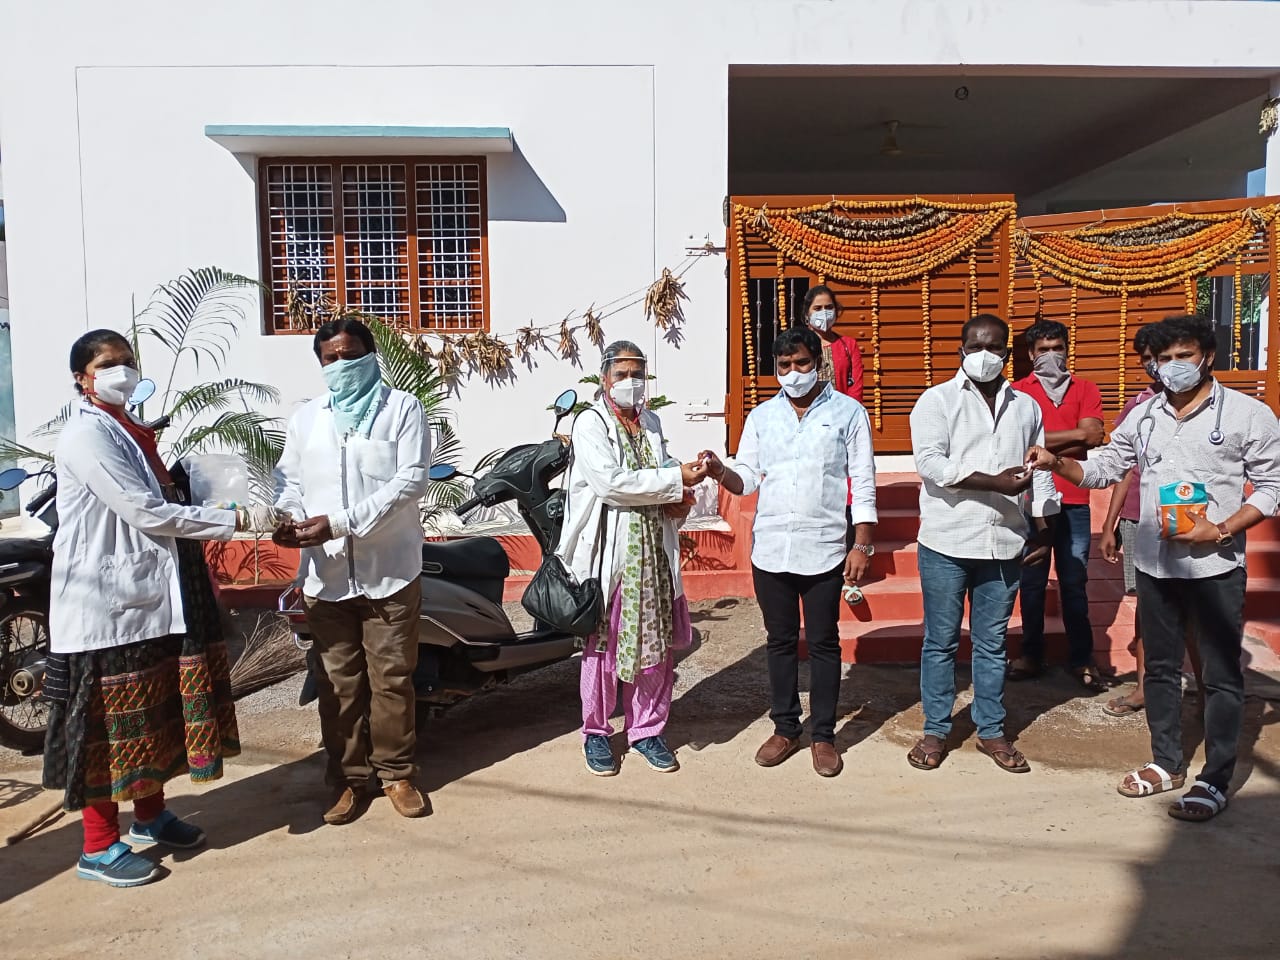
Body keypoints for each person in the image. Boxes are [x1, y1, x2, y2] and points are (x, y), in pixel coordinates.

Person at [43, 329, 284, 888]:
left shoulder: (126, 430)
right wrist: (242, 521)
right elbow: (144, 511)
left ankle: (150, 817)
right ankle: (98, 847)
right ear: (83, 377)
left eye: (128, 362)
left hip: (149, 594)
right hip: (102, 604)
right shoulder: (86, 436)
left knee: (150, 713)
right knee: (109, 725)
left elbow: (163, 496)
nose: (121, 372)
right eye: (108, 364)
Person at [1026, 314, 1280, 822]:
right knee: (1160, 669)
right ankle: (1166, 761)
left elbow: (1272, 486)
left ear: (1207, 356)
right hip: (1157, 564)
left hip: (1215, 566)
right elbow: (1103, 468)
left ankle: (1215, 778)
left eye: (1182, 356)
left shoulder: (1249, 415)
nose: (1172, 367)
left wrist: (1222, 529)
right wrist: (1057, 464)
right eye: (1162, 359)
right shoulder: (1143, 417)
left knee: (1222, 674)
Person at [273, 316, 431, 824]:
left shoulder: (402, 409)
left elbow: (410, 482)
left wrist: (338, 523)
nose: (340, 365)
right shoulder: (307, 419)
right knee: (337, 684)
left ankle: (397, 773)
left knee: (391, 680)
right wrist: (287, 519)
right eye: (329, 359)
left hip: (390, 572)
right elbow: (289, 481)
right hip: (326, 577)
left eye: (349, 355)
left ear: (370, 354)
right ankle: (348, 779)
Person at [702, 326, 876, 777]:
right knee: (779, 642)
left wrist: (862, 542)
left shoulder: (848, 413)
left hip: (824, 549)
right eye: (784, 366)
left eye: (801, 363)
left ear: (818, 362)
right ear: (774, 370)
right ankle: (785, 728)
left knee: (822, 643)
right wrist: (721, 470)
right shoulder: (762, 417)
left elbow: (864, 481)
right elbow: (748, 478)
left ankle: (823, 736)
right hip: (773, 550)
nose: (793, 373)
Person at [907, 314, 1060, 774]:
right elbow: (931, 464)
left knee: (992, 643)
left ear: (1008, 353)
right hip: (947, 540)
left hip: (1005, 541)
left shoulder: (1027, 407)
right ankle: (936, 729)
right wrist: (991, 482)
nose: (984, 355)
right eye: (975, 346)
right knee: (940, 640)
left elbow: (1042, 469)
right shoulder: (935, 402)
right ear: (961, 350)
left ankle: (991, 729)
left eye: (994, 347)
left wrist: (1045, 527)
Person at [556, 340, 704, 776]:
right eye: (621, 374)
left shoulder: (652, 422)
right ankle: (597, 733)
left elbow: (660, 471)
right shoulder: (590, 423)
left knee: (655, 648)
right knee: (603, 645)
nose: (630, 382)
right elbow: (612, 483)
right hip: (612, 554)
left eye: (637, 373)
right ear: (604, 378)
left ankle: (647, 730)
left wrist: (679, 494)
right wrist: (672, 481)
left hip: (653, 556)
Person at [1098, 324, 1203, 718]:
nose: (1160, 368)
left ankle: (1207, 689)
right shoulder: (1138, 409)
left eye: (1177, 358)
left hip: (1191, 517)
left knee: (1195, 606)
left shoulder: (1212, 406)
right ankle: (1144, 687)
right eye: (1151, 361)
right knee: (1148, 605)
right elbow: (1123, 469)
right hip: (1139, 520)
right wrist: (1110, 525)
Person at [1007, 320, 1107, 689]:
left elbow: (1094, 436)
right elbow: (1017, 442)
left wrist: (1044, 442)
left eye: (1057, 348)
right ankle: (1031, 654)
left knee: (1074, 581)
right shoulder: (1017, 391)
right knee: (1031, 579)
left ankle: (1082, 659)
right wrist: (1075, 435)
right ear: (1031, 355)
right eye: (1043, 349)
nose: (1051, 356)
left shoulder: (1085, 388)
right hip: (1031, 500)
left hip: (1075, 498)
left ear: (1067, 349)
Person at [802, 285, 864, 402]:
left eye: (829, 307)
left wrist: (849, 412)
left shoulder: (848, 345)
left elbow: (856, 387)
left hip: (843, 413)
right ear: (807, 314)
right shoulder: (800, 345)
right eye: (818, 308)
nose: (824, 312)